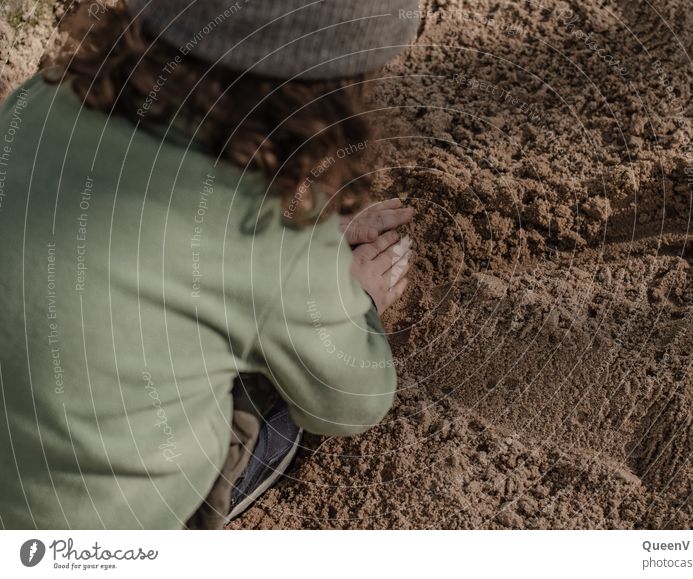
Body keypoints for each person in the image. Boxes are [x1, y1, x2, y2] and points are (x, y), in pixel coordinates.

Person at [0, 0, 419, 529]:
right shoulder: (264, 224)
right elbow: (349, 403)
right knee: (276, 392)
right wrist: (348, 293)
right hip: (91, 530)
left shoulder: (43, 97)